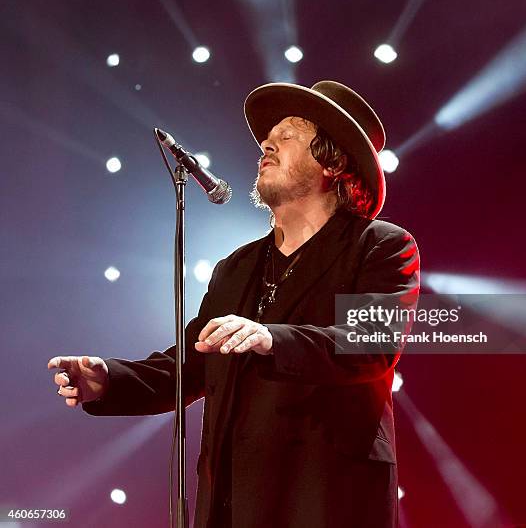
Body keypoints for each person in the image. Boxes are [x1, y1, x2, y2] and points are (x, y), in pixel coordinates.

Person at [48, 80, 420, 528]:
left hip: (325, 498)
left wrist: (271, 339)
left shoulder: (380, 246)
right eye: (268, 137)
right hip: (231, 501)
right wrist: (111, 380)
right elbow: (192, 363)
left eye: (288, 135)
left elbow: (370, 342)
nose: (267, 143)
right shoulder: (236, 267)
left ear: (332, 161)